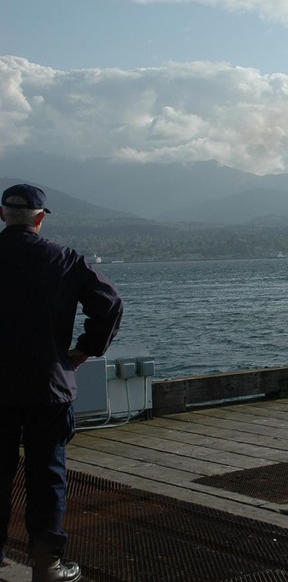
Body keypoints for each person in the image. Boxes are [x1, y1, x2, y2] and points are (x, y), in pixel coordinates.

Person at [0, 184, 123, 582]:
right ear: (40, 218)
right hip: (48, 386)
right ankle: (47, 565)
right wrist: (84, 351)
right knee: (47, 473)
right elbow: (110, 304)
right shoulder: (64, 260)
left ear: (2, 215)